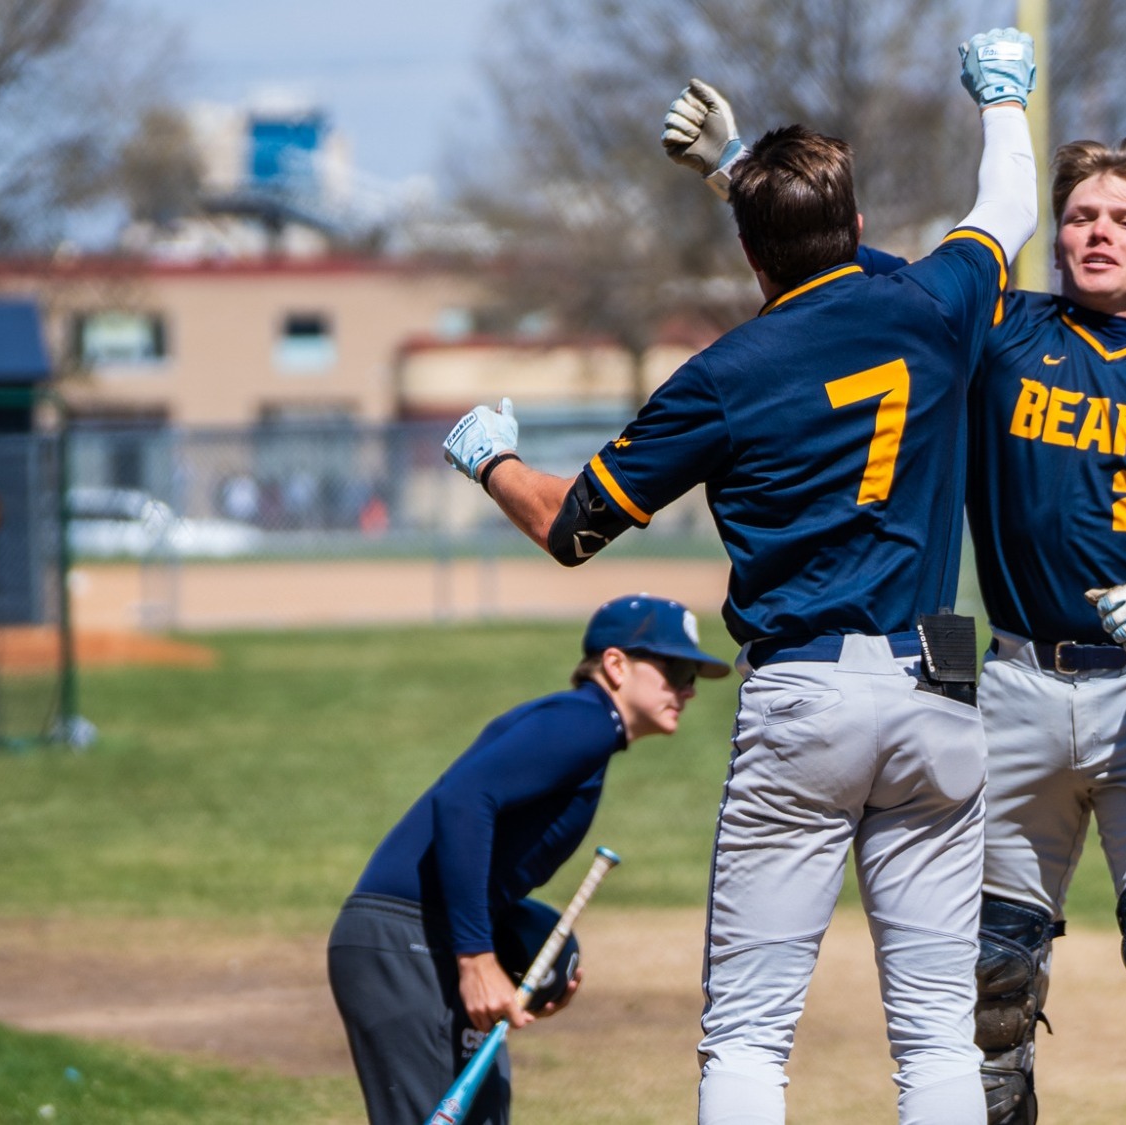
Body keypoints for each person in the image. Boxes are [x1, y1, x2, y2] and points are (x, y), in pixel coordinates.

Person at [442, 29, 1039, 1124]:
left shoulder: (722, 377)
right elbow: (1005, 210)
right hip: (935, 689)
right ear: (856, 228)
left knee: (751, 1038)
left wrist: (492, 458)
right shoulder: (931, 306)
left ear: (754, 258)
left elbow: (571, 528)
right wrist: (1001, 98)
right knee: (935, 1037)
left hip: (803, 694)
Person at [662, 86, 1126, 1122]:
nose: (1094, 232)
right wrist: (733, 177)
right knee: (983, 995)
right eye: (1077, 214)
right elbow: (850, 282)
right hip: (1014, 690)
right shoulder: (998, 333)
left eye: (1125, 220)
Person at [328, 594, 727, 1125]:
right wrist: (476, 959)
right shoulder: (584, 720)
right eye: (674, 669)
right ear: (615, 665)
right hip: (405, 939)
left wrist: (527, 965)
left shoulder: (586, 730)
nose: (689, 689)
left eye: (692, 675)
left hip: (417, 940)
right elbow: (464, 800)